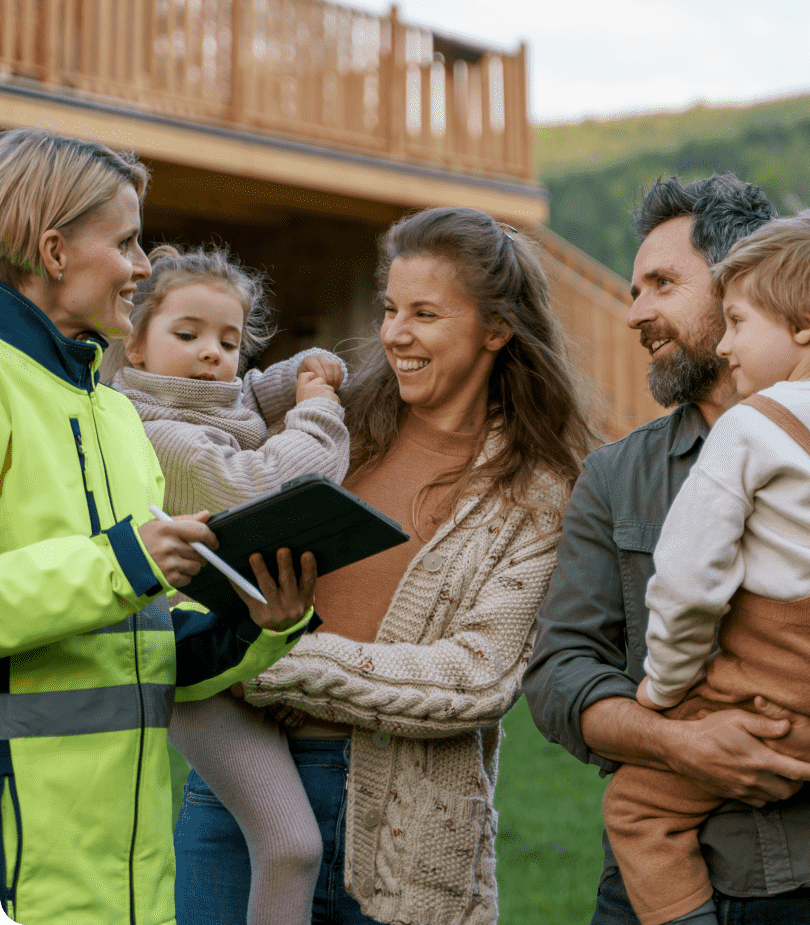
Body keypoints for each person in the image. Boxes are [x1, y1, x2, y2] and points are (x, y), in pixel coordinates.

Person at [174, 206, 595, 925]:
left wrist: (260, 661)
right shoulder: (326, 426)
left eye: (425, 314)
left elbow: (477, 675)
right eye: (392, 308)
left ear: (496, 329)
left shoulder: (538, 490)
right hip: (241, 787)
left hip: (408, 819)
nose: (395, 333)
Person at [0, 129, 316, 925]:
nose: (145, 267)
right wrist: (124, 561)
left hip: (124, 880)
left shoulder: (113, 415)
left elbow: (143, 643)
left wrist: (255, 624)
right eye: (129, 242)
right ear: (55, 250)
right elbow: (119, 574)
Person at [523, 174, 810, 925]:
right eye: (633, 288)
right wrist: (682, 744)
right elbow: (559, 674)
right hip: (654, 880)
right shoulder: (617, 477)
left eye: (661, 284)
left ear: (737, 285)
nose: (634, 313)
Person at [112, 242, 351, 925]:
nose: (213, 352)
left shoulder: (205, 402)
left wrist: (296, 374)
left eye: (229, 338)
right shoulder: (160, 433)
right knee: (291, 845)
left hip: (247, 645)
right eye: (187, 335)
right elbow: (263, 483)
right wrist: (316, 407)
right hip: (196, 666)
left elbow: (241, 396)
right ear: (135, 344)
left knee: (284, 843)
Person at [603, 215, 810, 925]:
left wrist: (667, 685)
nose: (726, 346)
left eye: (738, 321)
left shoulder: (749, 429)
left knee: (635, 810)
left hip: (768, 698)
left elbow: (689, 584)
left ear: (805, 325)